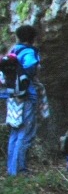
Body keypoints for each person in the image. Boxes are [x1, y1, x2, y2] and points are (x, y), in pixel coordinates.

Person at [5, 25, 43, 175]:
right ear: (33, 38)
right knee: (25, 132)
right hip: (26, 95)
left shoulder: (13, 52)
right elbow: (31, 69)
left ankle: (11, 169)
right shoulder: (29, 52)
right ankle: (20, 170)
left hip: (12, 96)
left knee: (14, 132)